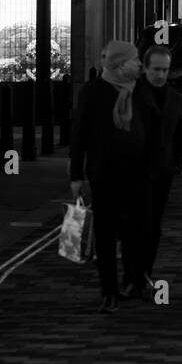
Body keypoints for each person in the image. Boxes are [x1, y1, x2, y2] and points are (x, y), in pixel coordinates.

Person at [69, 40, 148, 313]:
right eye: (134, 60)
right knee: (104, 236)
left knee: (133, 233)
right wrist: (76, 176)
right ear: (119, 65)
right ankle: (109, 292)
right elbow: (78, 136)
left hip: (136, 175)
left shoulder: (140, 92)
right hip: (103, 175)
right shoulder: (93, 92)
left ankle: (133, 280)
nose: (139, 65)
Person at [134, 44, 182, 281]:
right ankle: (134, 275)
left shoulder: (175, 99)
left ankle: (145, 272)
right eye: (156, 69)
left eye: (165, 70)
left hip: (162, 170)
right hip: (134, 171)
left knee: (153, 224)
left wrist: (177, 164)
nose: (160, 74)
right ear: (145, 69)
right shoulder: (132, 95)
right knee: (136, 225)